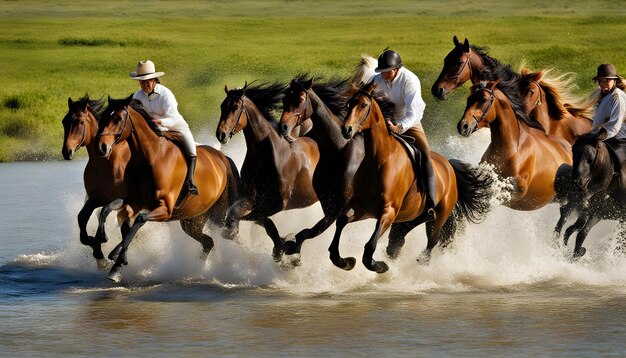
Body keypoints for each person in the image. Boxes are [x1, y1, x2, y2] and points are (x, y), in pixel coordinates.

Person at [369, 49, 436, 219]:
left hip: (409, 121)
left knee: (426, 154)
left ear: (397, 69)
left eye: (386, 72)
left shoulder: (410, 80)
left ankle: (431, 203)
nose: (383, 75)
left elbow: (415, 113)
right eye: (381, 72)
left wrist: (400, 127)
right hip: (384, 121)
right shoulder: (376, 80)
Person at [130, 60, 199, 195]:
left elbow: (172, 118)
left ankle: (190, 181)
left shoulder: (166, 94)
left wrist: (159, 122)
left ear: (155, 79)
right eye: (142, 81)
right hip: (153, 129)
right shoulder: (138, 96)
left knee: (192, 150)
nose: (145, 84)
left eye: (148, 80)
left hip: (175, 125)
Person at [590, 63, 626, 141]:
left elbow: (615, 125)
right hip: (597, 133)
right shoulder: (598, 92)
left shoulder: (617, 97)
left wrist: (601, 136)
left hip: (617, 138)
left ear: (614, 81)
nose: (603, 84)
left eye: (607, 80)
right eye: (600, 80)